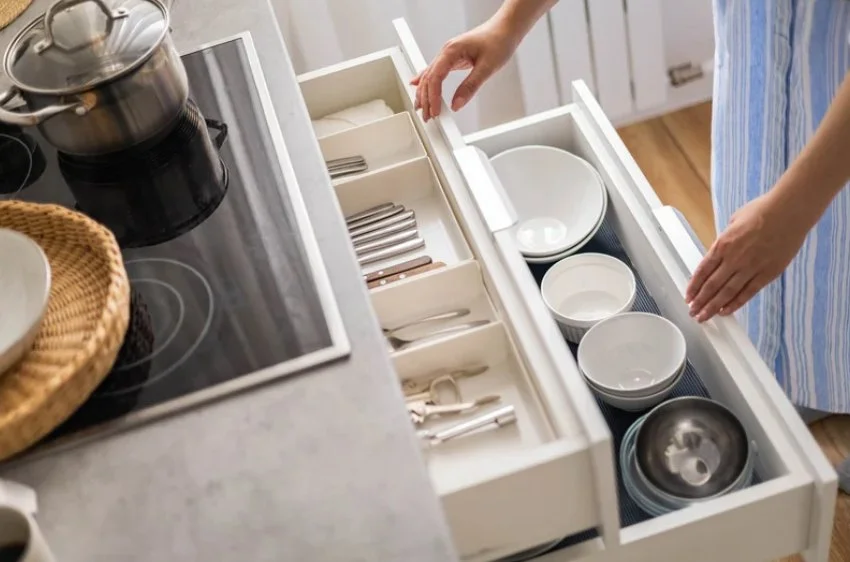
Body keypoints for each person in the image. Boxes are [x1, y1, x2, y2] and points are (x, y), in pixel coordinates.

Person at [414, 0, 850, 487]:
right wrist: (509, 22)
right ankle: (805, 376)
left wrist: (794, 208)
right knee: (795, 287)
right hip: (761, 90)